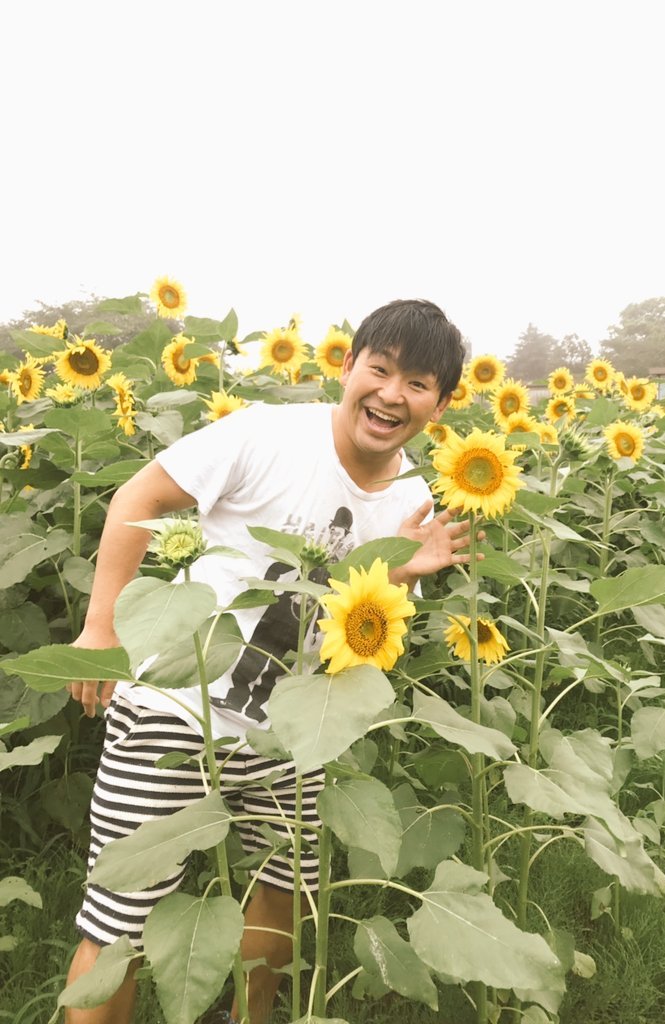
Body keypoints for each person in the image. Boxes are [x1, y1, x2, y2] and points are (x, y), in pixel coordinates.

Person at [64, 298, 473, 1024]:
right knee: (121, 920)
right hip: (176, 710)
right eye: (379, 370)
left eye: (416, 384)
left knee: (287, 892)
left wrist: (401, 575)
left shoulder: (412, 496)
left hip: (294, 728)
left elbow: (356, 601)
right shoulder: (267, 435)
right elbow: (140, 496)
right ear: (348, 369)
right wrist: (101, 627)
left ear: (439, 404)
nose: (390, 394)